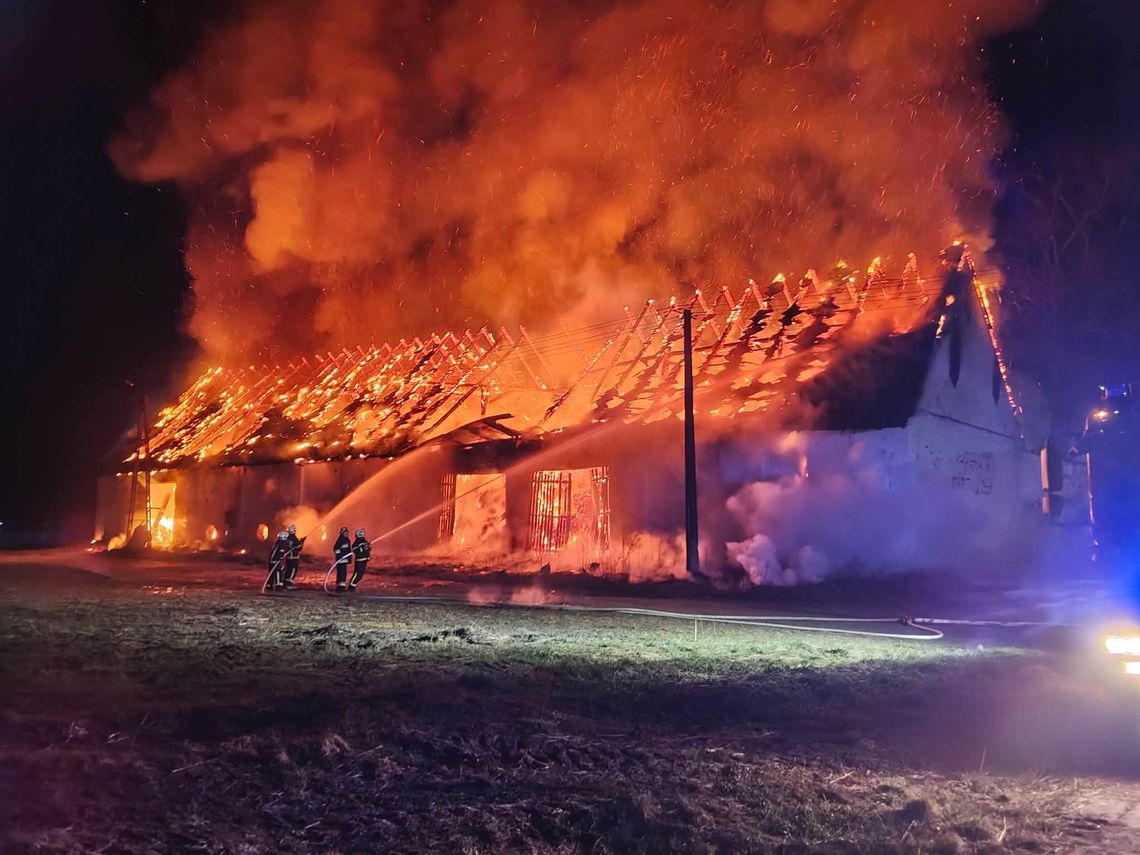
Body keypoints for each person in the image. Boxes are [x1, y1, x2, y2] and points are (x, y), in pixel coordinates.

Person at [283, 524, 305, 589]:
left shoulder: (287, 538)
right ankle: (289, 584)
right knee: (293, 570)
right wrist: (302, 542)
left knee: (287, 570)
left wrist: (300, 542)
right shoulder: (294, 539)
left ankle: (285, 583)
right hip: (294, 558)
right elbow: (299, 548)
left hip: (288, 558)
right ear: (294, 531)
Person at [332, 526, 352, 593]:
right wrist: (340, 557)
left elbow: (348, 550)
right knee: (341, 574)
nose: (346, 533)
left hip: (344, 560)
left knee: (342, 574)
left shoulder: (346, 539)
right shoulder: (341, 540)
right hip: (341, 560)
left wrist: (349, 558)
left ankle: (340, 587)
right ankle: (341, 588)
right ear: (342, 533)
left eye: (347, 532)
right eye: (345, 532)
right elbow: (336, 549)